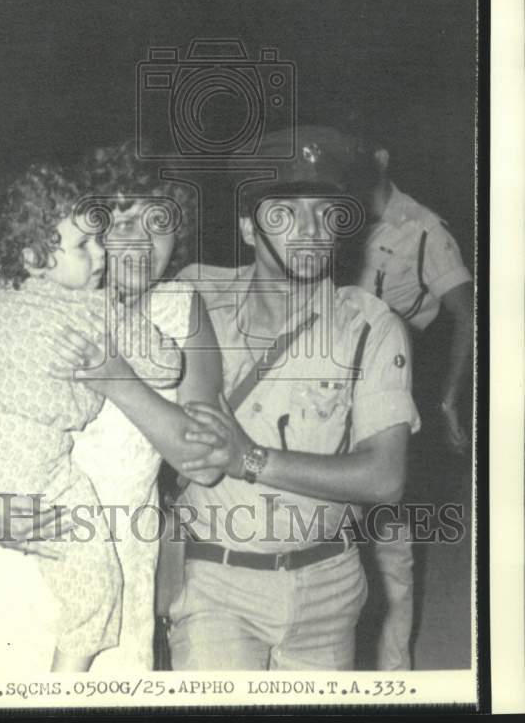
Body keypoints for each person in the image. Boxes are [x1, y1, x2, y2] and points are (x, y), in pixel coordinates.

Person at [0, 142, 229, 673]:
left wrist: (116, 378)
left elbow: (202, 460)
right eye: (120, 220)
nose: (140, 241)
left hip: (106, 564)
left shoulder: (181, 311)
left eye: (159, 221)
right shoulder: (29, 297)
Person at [162, 125, 420, 671]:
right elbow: (87, 300)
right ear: (249, 228)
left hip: (328, 586)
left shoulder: (369, 326)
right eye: (286, 214)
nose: (310, 231)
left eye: (325, 213)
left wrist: (249, 459)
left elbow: (384, 477)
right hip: (215, 583)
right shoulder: (193, 295)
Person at [347, 137, 474, 671]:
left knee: (390, 548)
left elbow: (468, 312)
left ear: (380, 157)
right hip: (332, 393)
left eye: (355, 154)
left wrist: (447, 397)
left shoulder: (422, 228)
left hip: (394, 391)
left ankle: (393, 678)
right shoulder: (331, 219)